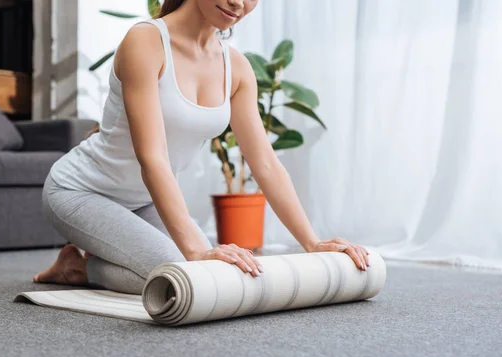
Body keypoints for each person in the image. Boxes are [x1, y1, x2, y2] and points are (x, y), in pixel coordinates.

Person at [33, 0, 370, 294]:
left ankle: (87, 262)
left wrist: (312, 243)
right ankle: (80, 269)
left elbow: (264, 162)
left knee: (216, 273)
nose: (239, 2)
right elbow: (152, 158)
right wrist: (195, 252)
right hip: (78, 192)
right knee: (187, 275)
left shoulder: (236, 67)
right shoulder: (147, 41)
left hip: (142, 202)